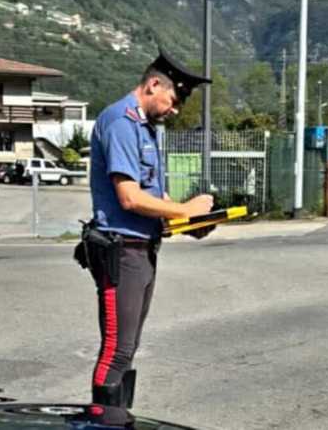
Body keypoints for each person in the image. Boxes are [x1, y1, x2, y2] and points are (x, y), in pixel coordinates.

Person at [77, 49, 215, 410]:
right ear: (154, 84)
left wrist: (187, 222)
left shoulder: (145, 129)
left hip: (143, 249)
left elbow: (154, 195)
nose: (174, 110)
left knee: (128, 348)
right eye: (173, 99)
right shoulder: (121, 122)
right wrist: (184, 208)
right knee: (117, 350)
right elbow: (129, 198)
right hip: (122, 251)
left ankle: (120, 417)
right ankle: (104, 422)